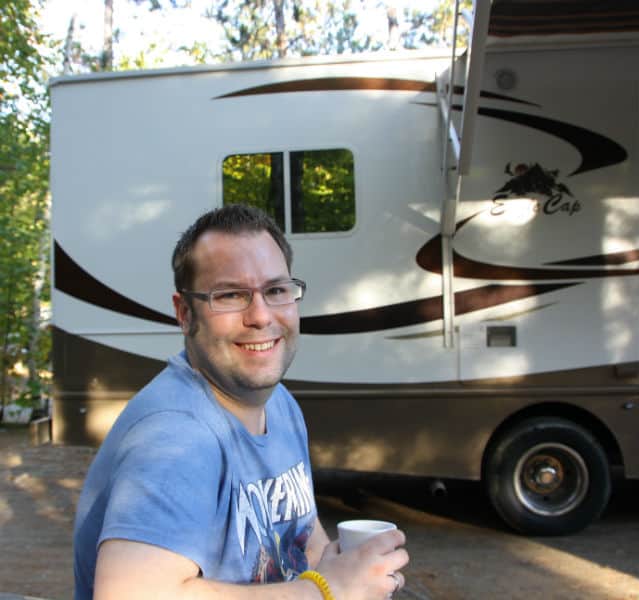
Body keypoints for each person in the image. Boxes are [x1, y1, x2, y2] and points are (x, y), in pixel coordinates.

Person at [73, 204, 409, 600]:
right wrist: (325, 591)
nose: (261, 316)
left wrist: (354, 573)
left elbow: (304, 539)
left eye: (276, 290)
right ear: (185, 313)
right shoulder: (176, 435)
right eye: (231, 295)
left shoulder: (279, 404)